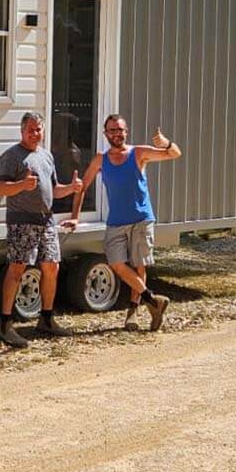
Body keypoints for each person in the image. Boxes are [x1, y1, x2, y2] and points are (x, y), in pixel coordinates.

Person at [70, 114, 182, 331]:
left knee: (139, 265)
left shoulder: (138, 153)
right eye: (112, 130)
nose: (116, 134)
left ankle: (133, 311)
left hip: (141, 218)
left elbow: (175, 154)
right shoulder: (100, 159)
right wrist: (75, 216)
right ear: (105, 134)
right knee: (117, 264)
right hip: (116, 221)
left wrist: (167, 143)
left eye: (120, 130)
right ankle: (153, 301)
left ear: (126, 132)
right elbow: (82, 187)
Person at [0, 112, 84, 349]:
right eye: (31, 130)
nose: (35, 134)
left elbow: (54, 190)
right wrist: (22, 185)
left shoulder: (46, 156)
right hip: (22, 222)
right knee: (17, 269)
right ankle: (5, 324)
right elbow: (2, 189)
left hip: (47, 221)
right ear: (22, 131)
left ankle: (46, 319)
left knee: (52, 267)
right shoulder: (12, 156)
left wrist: (72, 188)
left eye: (38, 130)